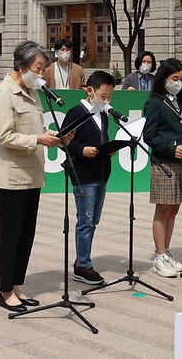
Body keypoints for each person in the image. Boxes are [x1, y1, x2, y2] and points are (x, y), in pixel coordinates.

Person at [0, 40, 75, 312]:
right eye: (38, 68)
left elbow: (36, 130)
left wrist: (57, 138)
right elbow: (4, 136)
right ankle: (5, 291)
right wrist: (38, 139)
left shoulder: (33, 92)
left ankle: (17, 286)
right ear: (22, 65)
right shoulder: (4, 94)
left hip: (33, 175)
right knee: (11, 235)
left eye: (44, 68)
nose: (42, 74)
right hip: (13, 177)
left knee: (26, 235)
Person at [142, 58, 182, 278]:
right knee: (163, 208)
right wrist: (171, 148)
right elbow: (149, 136)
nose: (179, 83)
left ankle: (166, 251)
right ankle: (159, 256)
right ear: (164, 79)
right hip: (164, 162)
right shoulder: (154, 103)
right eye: (174, 79)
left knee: (175, 208)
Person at [63, 70, 116, 285]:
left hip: (102, 172)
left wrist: (110, 148)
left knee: (93, 220)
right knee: (85, 221)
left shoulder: (103, 114)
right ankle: (83, 265)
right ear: (89, 90)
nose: (105, 101)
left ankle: (82, 260)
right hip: (83, 174)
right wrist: (82, 150)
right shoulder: (76, 113)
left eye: (109, 97)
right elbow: (64, 141)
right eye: (102, 96)